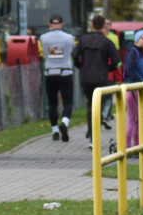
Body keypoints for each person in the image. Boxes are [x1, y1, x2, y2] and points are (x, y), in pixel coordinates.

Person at [72, 15, 121, 148]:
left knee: (90, 105)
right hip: (101, 78)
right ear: (104, 26)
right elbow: (117, 61)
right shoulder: (107, 42)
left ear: (92, 25)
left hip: (86, 78)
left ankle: (91, 133)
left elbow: (74, 55)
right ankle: (94, 136)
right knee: (99, 106)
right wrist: (108, 68)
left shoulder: (83, 40)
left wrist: (80, 66)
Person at [40, 13, 75, 142]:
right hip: (65, 72)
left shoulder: (43, 38)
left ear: (50, 25)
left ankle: (55, 130)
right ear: (62, 24)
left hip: (50, 73)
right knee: (68, 102)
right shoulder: (68, 38)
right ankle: (64, 122)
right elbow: (71, 50)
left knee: (52, 103)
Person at [123, 29, 143, 149]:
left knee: (139, 120)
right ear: (137, 40)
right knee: (132, 119)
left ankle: (137, 146)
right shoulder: (133, 52)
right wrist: (139, 84)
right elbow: (129, 70)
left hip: (142, 89)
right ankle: (127, 147)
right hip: (134, 89)